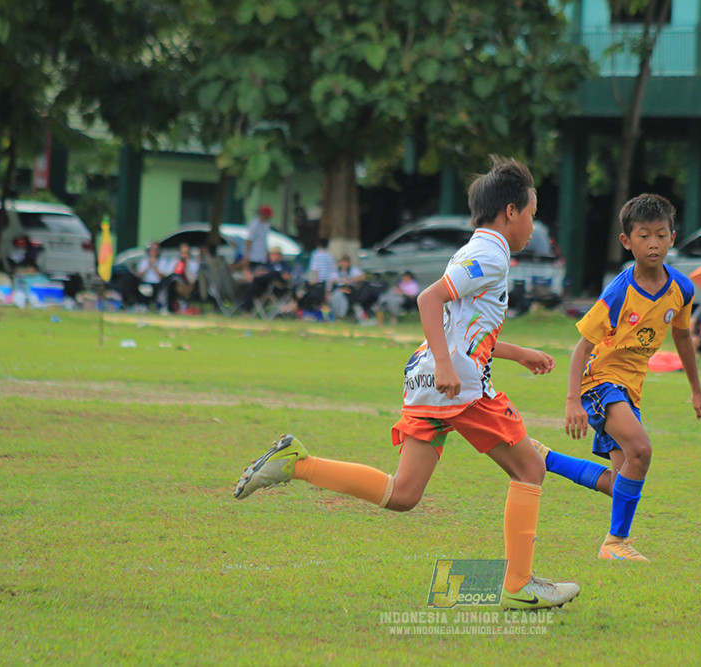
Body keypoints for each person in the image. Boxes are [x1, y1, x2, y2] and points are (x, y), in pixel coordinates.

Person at [232, 156, 579, 610]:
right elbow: (428, 298)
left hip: (432, 381)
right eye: (532, 214)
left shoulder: (477, 249)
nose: (533, 226)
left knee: (404, 494)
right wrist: (445, 365)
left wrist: (516, 353)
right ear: (510, 211)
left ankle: (297, 464)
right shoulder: (490, 253)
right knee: (530, 468)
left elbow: (463, 325)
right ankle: (518, 584)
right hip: (456, 386)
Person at [538, 193, 701, 564]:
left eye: (661, 235)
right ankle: (616, 542)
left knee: (621, 482)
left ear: (673, 238)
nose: (654, 244)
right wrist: (572, 402)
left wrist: (697, 391)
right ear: (626, 241)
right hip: (599, 381)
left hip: (630, 388)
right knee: (642, 451)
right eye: (644, 235)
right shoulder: (619, 292)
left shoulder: (682, 289)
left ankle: (545, 459)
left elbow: (682, 337)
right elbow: (581, 348)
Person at [238, 246, 294, 314]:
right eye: (274, 254)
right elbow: (258, 272)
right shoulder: (266, 264)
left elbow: (287, 277)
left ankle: (246, 309)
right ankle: (246, 310)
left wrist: (267, 273)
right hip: (264, 286)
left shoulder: (284, 265)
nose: (276, 256)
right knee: (254, 286)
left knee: (274, 273)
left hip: (278, 286)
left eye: (278, 254)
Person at [296, 237, 335, 314]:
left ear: (318, 245)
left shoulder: (316, 254)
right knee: (325, 300)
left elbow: (314, 268)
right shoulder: (330, 255)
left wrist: (313, 280)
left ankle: (300, 310)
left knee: (301, 292)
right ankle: (325, 313)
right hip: (326, 282)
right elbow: (332, 270)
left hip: (317, 282)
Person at [160, 243, 200, 313]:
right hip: (175, 285)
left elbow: (193, 279)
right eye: (182, 253)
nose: (184, 255)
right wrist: (177, 266)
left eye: (186, 253)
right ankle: (168, 306)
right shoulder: (174, 262)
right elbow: (167, 274)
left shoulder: (193, 263)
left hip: (188, 286)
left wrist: (186, 266)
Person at [328, 255, 370, 321]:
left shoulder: (353, 270)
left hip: (350, 290)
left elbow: (363, 277)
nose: (344, 265)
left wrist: (351, 280)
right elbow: (331, 282)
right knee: (337, 296)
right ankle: (338, 315)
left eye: (346, 263)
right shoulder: (336, 272)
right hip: (340, 289)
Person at [244, 205, 274, 270]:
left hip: (262, 257)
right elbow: (249, 240)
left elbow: (264, 241)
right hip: (254, 257)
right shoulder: (254, 225)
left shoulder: (266, 225)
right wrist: (247, 256)